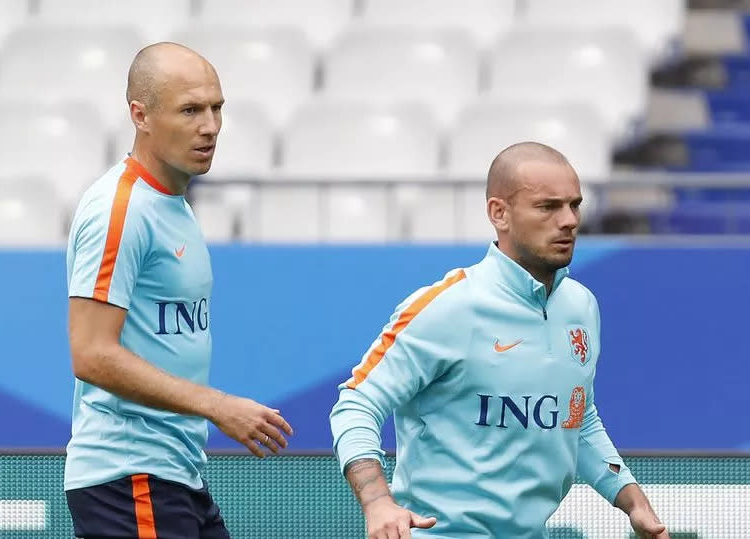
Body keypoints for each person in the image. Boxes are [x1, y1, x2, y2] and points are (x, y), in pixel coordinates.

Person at [329, 142, 668, 539]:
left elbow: (578, 418)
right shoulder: (447, 307)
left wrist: (631, 500)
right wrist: (377, 502)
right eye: (548, 207)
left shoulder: (581, 305)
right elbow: (356, 403)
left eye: (575, 205)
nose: (569, 220)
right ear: (499, 213)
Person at [64, 42, 293, 538]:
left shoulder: (173, 203)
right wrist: (216, 405)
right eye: (190, 110)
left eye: (217, 108)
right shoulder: (120, 210)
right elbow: (91, 354)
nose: (209, 126)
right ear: (140, 115)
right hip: (129, 477)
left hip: (174, 475)